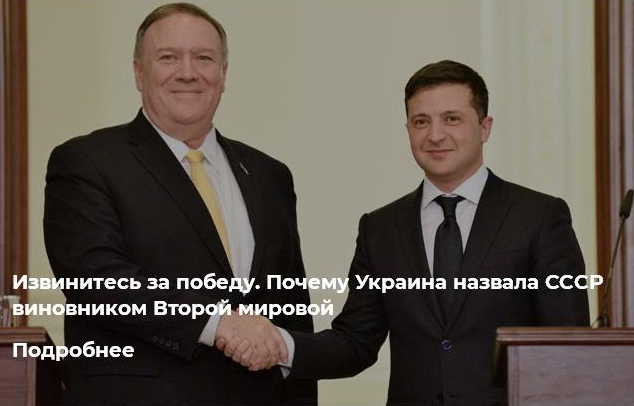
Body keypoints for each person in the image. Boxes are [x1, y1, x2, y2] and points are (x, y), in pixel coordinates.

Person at [220, 60, 590, 405]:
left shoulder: (539, 217)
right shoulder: (380, 228)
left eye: (452, 119)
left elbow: (568, 347)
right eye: (421, 122)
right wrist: (279, 344)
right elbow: (355, 342)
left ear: (485, 127)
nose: (435, 135)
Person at [43, 3, 315, 405]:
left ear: (223, 73)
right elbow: (100, 283)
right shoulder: (87, 161)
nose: (188, 72)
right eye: (168, 57)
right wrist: (220, 323)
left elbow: (292, 311)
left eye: (203, 58)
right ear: (139, 73)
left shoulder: (270, 175)